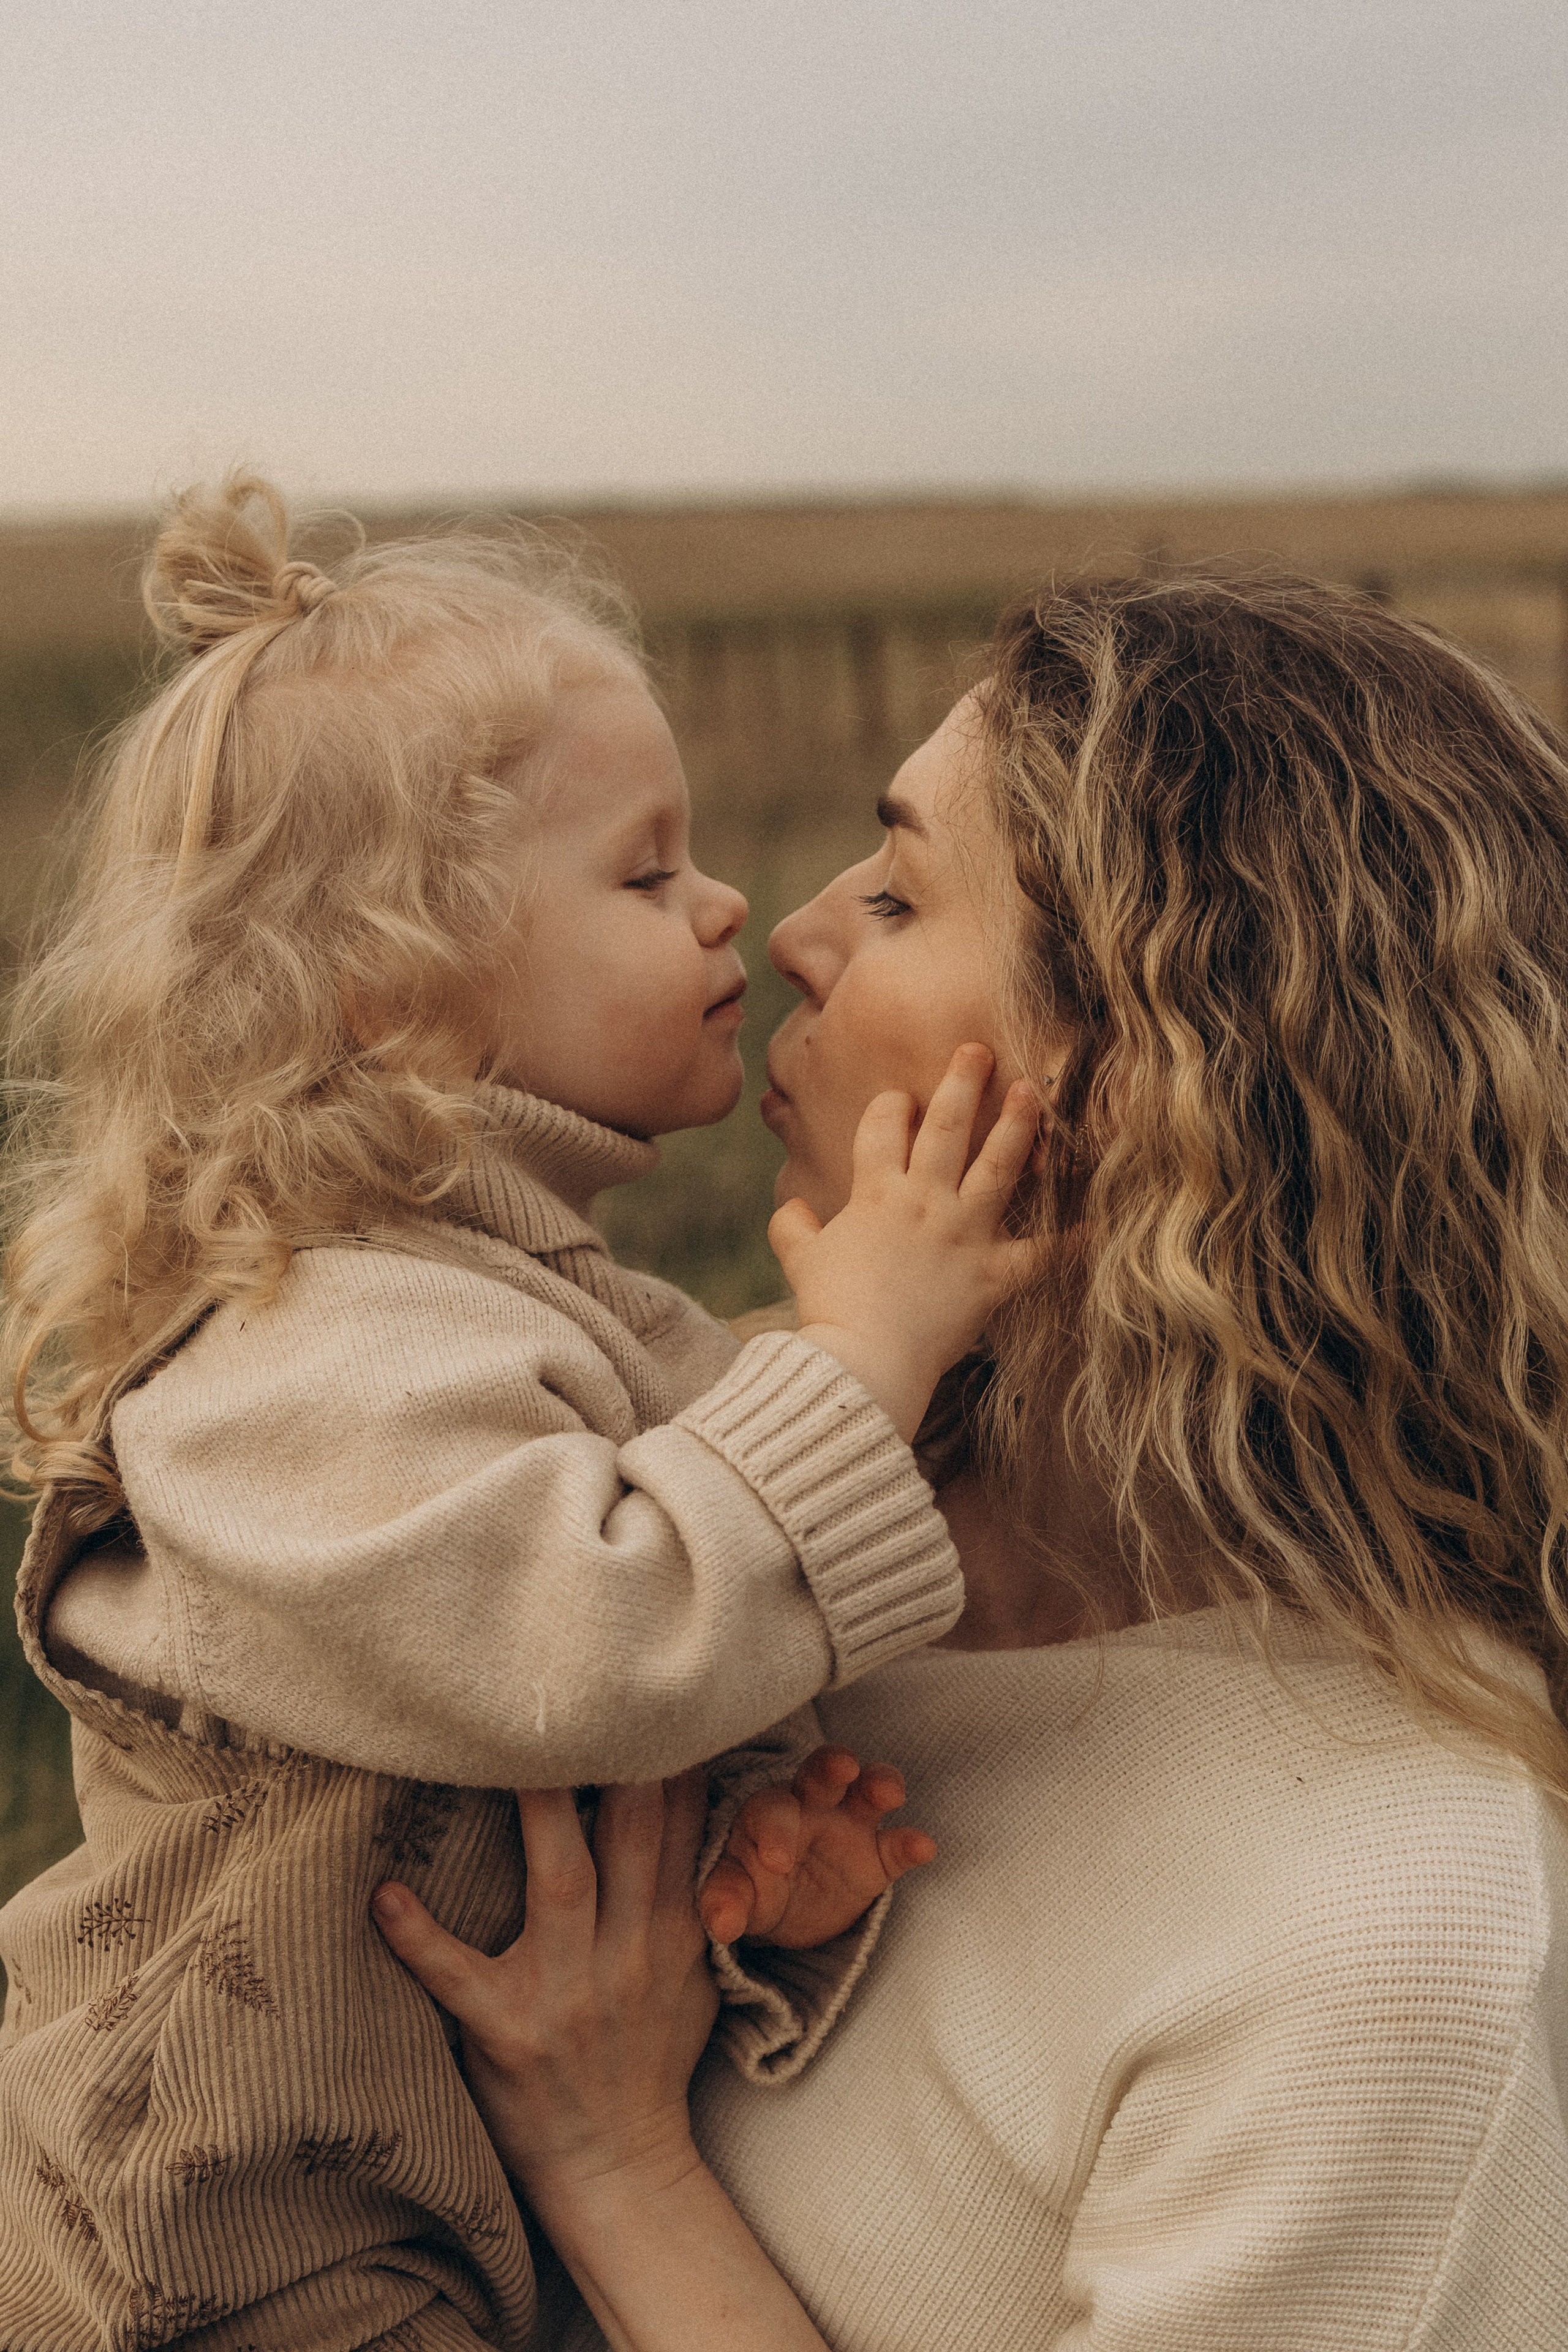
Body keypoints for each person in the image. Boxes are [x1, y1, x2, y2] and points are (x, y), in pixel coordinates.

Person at [379, 568, 1568, 2350]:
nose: (793, 933)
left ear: (1154, 1082)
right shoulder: (709, 1511)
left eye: (904, 890)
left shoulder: (1383, 1936)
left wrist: (615, 2160)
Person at [0, 476, 1041, 2351]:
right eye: (645, 875)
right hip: (202, 2224)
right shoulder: (303, 1344)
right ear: (403, 990)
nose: (728, 903)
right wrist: (866, 1348)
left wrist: (746, 1851)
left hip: (397, 2182)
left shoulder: (551, 1304)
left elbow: (594, 1711)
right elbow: (589, 1642)